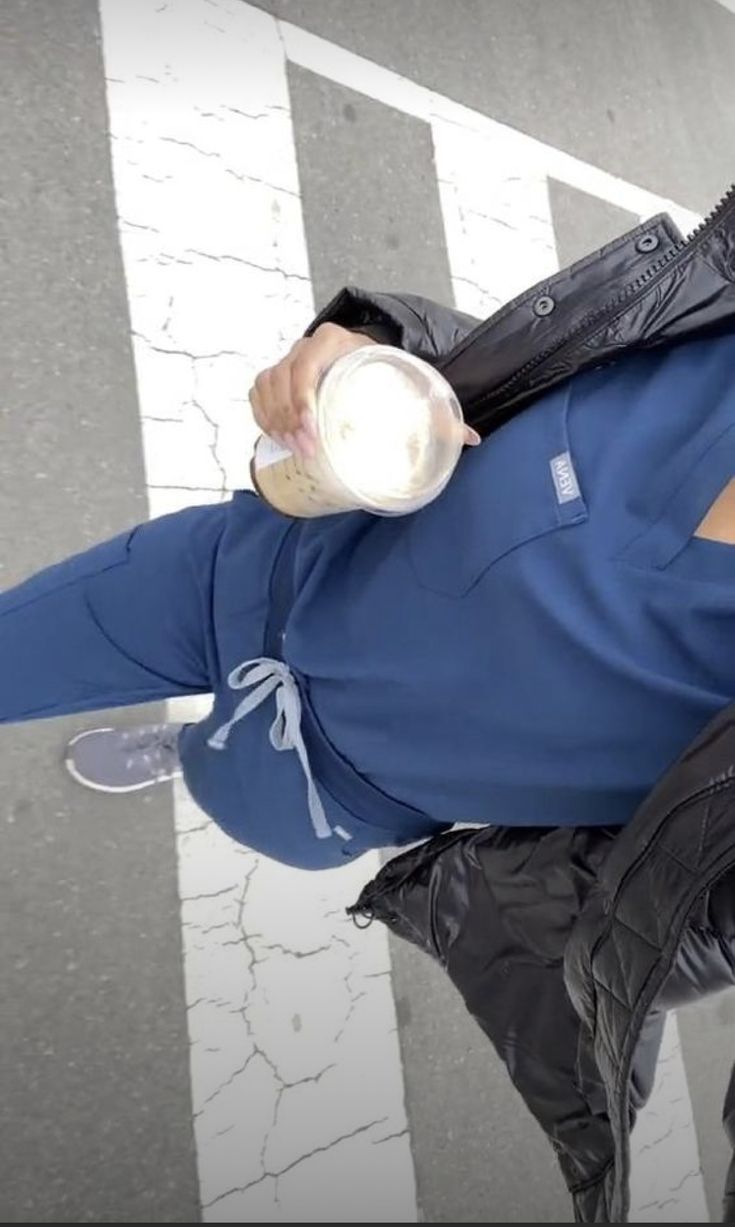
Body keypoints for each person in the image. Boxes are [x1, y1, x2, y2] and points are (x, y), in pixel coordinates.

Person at [2, 190, 735, 880]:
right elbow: (528, 372)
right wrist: (386, 348)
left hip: (327, 779)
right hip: (272, 558)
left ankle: (191, 750)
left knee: (217, 779)